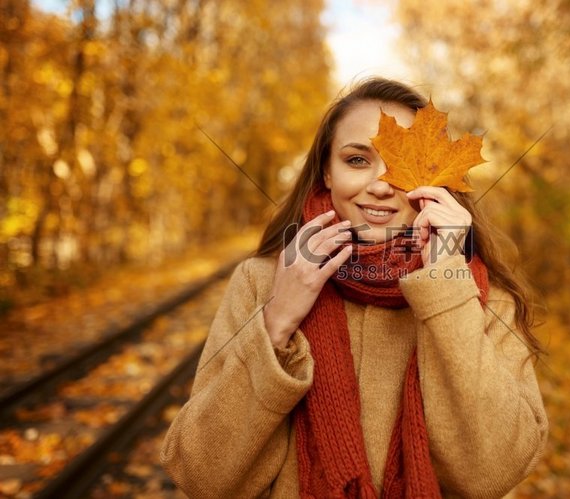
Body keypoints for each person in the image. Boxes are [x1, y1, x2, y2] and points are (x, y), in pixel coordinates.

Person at [160, 77, 548, 498]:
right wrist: (276, 324)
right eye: (357, 160)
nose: (381, 185)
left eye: (402, 170)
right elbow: (202, 476)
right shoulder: (262, 281)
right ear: (327, 170)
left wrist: (445, 286)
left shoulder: (482, 297)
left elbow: (493, 472)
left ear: (439, 180)